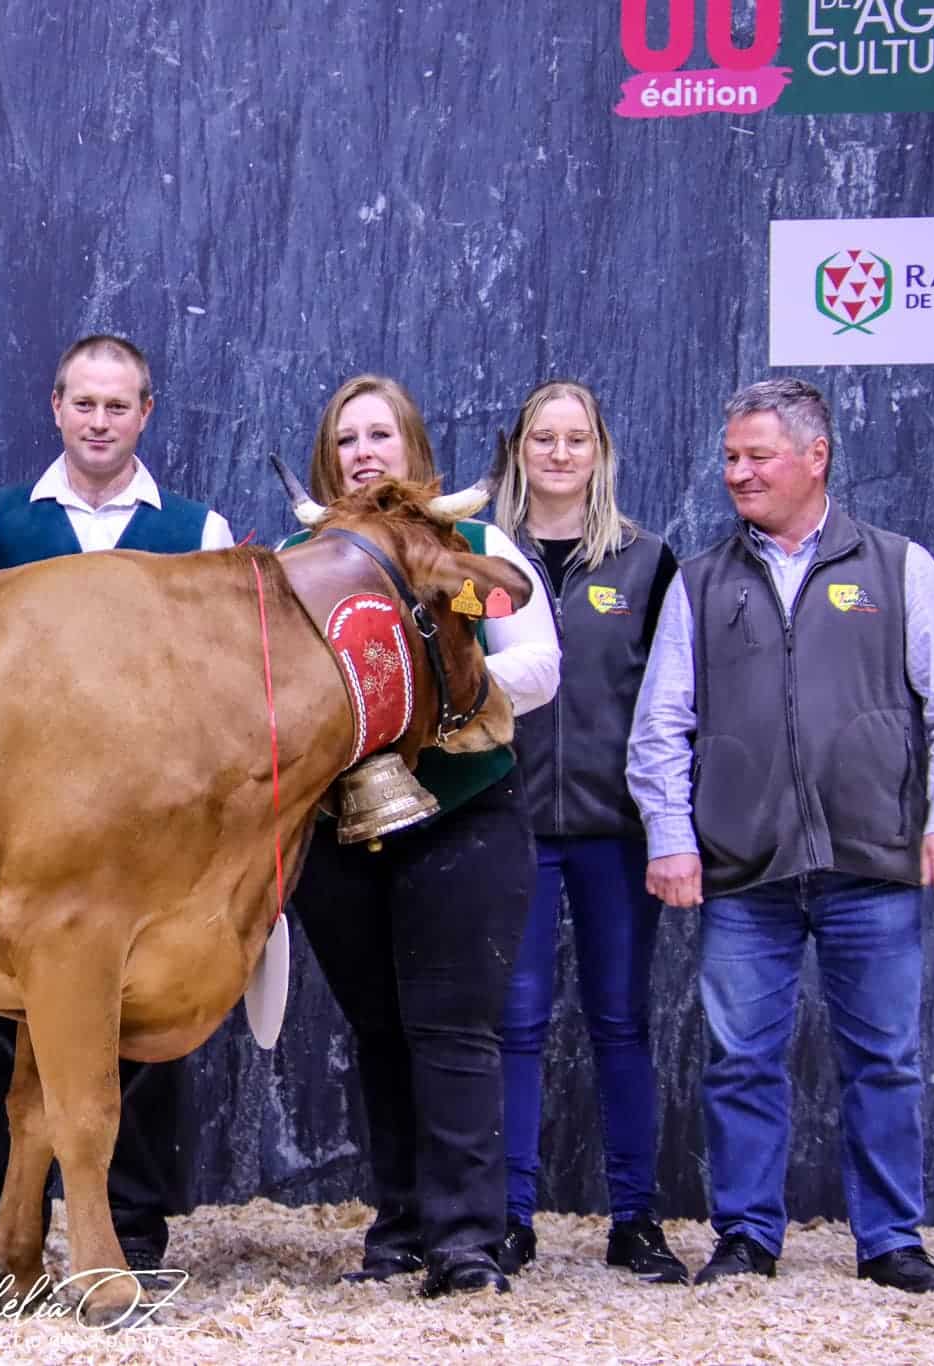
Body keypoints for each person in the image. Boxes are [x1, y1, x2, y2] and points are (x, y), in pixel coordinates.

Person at [0, 333, 232, 1270]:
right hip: (17, 827)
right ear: (55, 408)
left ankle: (133, 1229)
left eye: (119, 406)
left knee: (138, 1036)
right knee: (4, 1028)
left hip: (154, 842)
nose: (100, 421)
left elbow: (229, 685)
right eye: (84, 404)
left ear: (146, 414)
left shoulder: (202, 532)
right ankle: (3, 1223)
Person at [627, 377, 934, 1293]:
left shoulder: (898, 567)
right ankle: (748, 1236)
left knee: (885, 1062)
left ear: (816, 456)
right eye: (730, 458)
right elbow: (659, 726)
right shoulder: (703, 582)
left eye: (757, 456)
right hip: (745, 873)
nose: (737, 473)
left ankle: (892, 1243)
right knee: (740, 1062)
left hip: (872, 864)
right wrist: (671, 836)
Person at [282, 375, 559, 1297]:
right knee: (377, 1031)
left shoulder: (475, 546)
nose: (365, 453)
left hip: (462, 816)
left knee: (453, 1030)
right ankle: (398, 1226)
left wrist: (429, 708)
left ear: (413, 449)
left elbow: (541, 667)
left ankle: (468, 1242)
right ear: (329, 458)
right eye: (348, 439)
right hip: (338, 829)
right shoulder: (291, 561)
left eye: (382, 436)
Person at [488, 381, 687, 1283]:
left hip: (616, 830)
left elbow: (675, 704)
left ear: (600, 451)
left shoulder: (648, 564)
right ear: (518, 451)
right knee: (517, 1024)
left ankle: (635, 1220)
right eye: (543, 438)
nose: (560, 454)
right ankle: (510, 1218)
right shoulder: (483, 560)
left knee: (620, 1023)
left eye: (576, 439)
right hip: (512, 824)